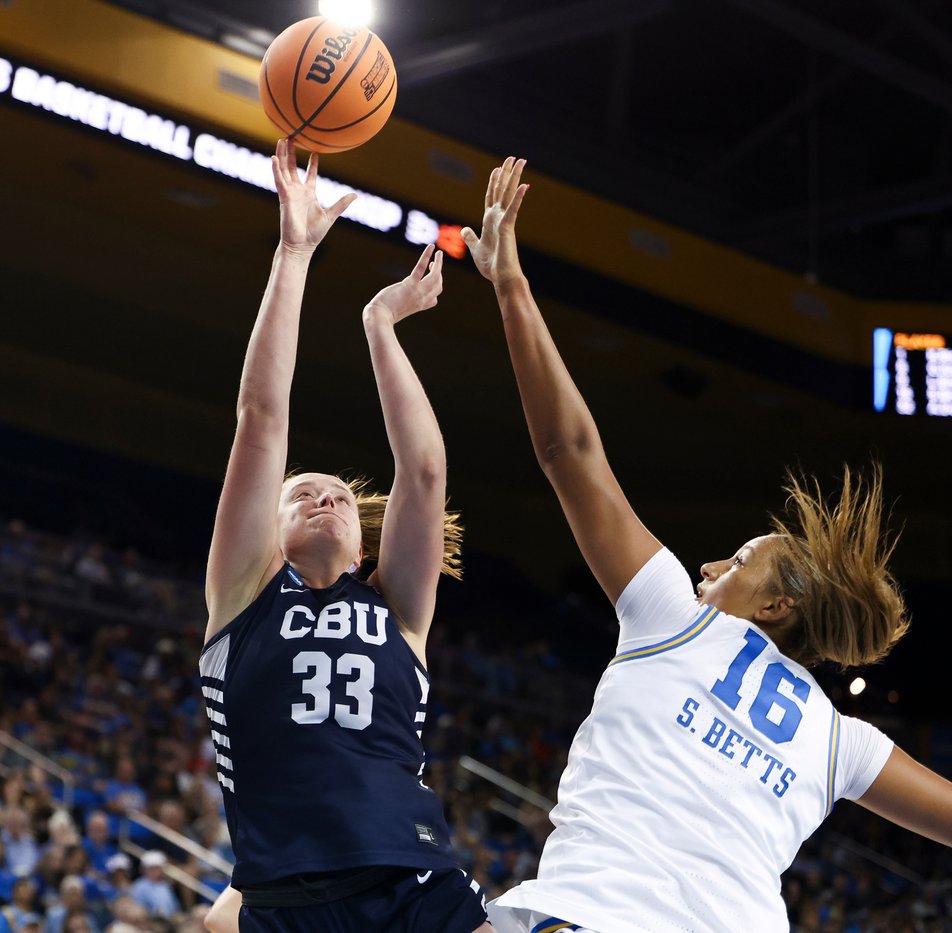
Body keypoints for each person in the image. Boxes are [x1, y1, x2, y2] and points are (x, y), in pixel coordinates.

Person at [462, 156, 952, 931]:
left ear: (779, 603)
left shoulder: (675, 616)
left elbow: (570, 453)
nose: (711, 565)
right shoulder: (840, 740)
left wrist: (511, 285)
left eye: (740, 558)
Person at [198, 139, 487, 932]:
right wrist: (293, 253)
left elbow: (423, 471)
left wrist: (381, 325)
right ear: (272, 530)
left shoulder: (399, 612)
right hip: (283, 898)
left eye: (335, 496)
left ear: (364, 547)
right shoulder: (241, 596)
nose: (323, 494)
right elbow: (261, 421)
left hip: (414, 883)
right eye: (302, 492)